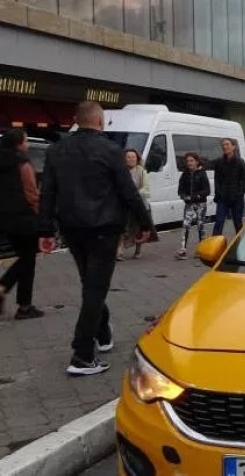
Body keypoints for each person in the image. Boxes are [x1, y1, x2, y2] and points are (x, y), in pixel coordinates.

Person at [39, 100, 152, 376]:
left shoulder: (56, 151)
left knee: (89, 284)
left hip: (71, 228)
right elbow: (128, 192)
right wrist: (144, 225)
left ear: (76, 120)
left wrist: (44, 231)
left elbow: (48, 193)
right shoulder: (111, 150)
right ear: (101, 122)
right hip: (104, 228)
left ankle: (102, 334)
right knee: (94, 289)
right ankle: (82, 354)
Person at [0, 129, 44, 320]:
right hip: (25, 218)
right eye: (26, 140)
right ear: (18, 143)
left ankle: (22, 303)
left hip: (5, 219)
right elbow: (31, 193)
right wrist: (40, 215)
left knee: (25, 258)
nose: (28, 144)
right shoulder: (23, 164)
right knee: (28, 259)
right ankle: (20, 303)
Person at [176, 152, 210, 260]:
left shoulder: (202, 173)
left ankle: (201, 250)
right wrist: (184, 196)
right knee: (185, 225)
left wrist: (197, 196)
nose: (189, 163)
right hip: (189, 204)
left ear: (197, 161)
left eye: (191, 161)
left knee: (201, 226)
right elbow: (180, 190)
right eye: (187, 161)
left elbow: (207, 190)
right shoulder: (184, 174)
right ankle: (182, 250)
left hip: (200, 203)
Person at [212, 138, 245, 236]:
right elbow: (217, 180)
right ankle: (214, 246)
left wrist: (239, 193)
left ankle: (240, 244)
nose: (225, 147)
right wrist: (218, 194)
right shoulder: (219, 162)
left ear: (234, 147)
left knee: (238, 223)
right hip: (222, 198)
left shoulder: (240, 162)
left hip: (236, 199)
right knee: (219, 222)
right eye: (223, 145)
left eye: (227, 144)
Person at [117, 149, 149, 261]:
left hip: (138, 205)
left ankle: (138, 250)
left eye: (133, 157)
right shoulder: (121, 171)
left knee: (138, 228)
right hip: (124, 205)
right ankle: (119, 251)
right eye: (128, 157)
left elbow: (146, 189)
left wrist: (135, 193)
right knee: (122, 228)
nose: (131, 159)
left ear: (137, 158)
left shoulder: (142, 171)